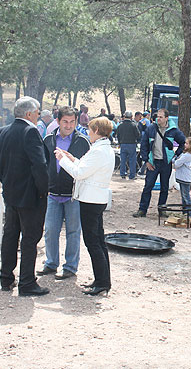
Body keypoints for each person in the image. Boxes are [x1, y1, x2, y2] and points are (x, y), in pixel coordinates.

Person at [0, 97, 50, 296]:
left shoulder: (2, 131)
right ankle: (27, 282)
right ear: (28, 114)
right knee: (29, 238)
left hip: (11, 193)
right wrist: (44, 190)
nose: (38, 115)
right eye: (37, 112)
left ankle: (6, 278)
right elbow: (39, 165)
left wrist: (9, 183)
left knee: (10, 236)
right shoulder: (31, 132)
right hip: (30, 196)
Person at [55, 117, 115, 296]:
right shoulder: (102, 148)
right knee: (98, 242)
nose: (88, 132)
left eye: (90, 129)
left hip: (91, 200)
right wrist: (72, 158)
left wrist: (62, 160)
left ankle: (102, 282)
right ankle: (102, 280)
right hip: (95, 198)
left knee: (93, 243)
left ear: (96, 130)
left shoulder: (98, 151)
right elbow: (85, 166)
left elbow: (79, 173)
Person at [38, 106, 90, 280]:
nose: (68, 125)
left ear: (76, 122)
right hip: (52, 194)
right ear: (58, 121)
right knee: (51, 231)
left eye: (72, 122)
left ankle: (70, 267)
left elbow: (86, 168)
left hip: (73, 195)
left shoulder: (82, 141)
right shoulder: (48, 140)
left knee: (73, 232)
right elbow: (43, 165)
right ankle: (51, 263)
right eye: (65, 122)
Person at [133, 108, 186, 218]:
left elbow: (183, 142)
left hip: (166, 163)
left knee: (164, 188)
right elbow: (144, 145)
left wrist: (175, 155)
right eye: (157, 116)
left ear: (167, 118)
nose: (158, 119)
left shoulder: (173, 130)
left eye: (161, 117)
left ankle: (162, 210)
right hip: (153, 162)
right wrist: (146, 161)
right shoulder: (151, 129)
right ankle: (142, 210)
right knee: (148, 186)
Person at [116, 111, 140, 180]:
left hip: (123, 144)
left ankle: (122, 174)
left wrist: (120, 143)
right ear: (131, 117)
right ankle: (132, 175)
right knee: (132, 160)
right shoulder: (133, 125)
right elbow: (138, 135)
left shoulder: (120, 125)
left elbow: (118, 135)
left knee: (123, 160)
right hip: (132, 144)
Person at [174, 137, 191, 210]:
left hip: (185, 178)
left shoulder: (187, 155)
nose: (185, 145)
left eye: (187, 143)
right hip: (182, 177)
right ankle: (184, 212)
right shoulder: (185, 154)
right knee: (183, 196)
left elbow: (177, 164)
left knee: (186, 196)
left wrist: (174, 160)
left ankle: (189, 213)